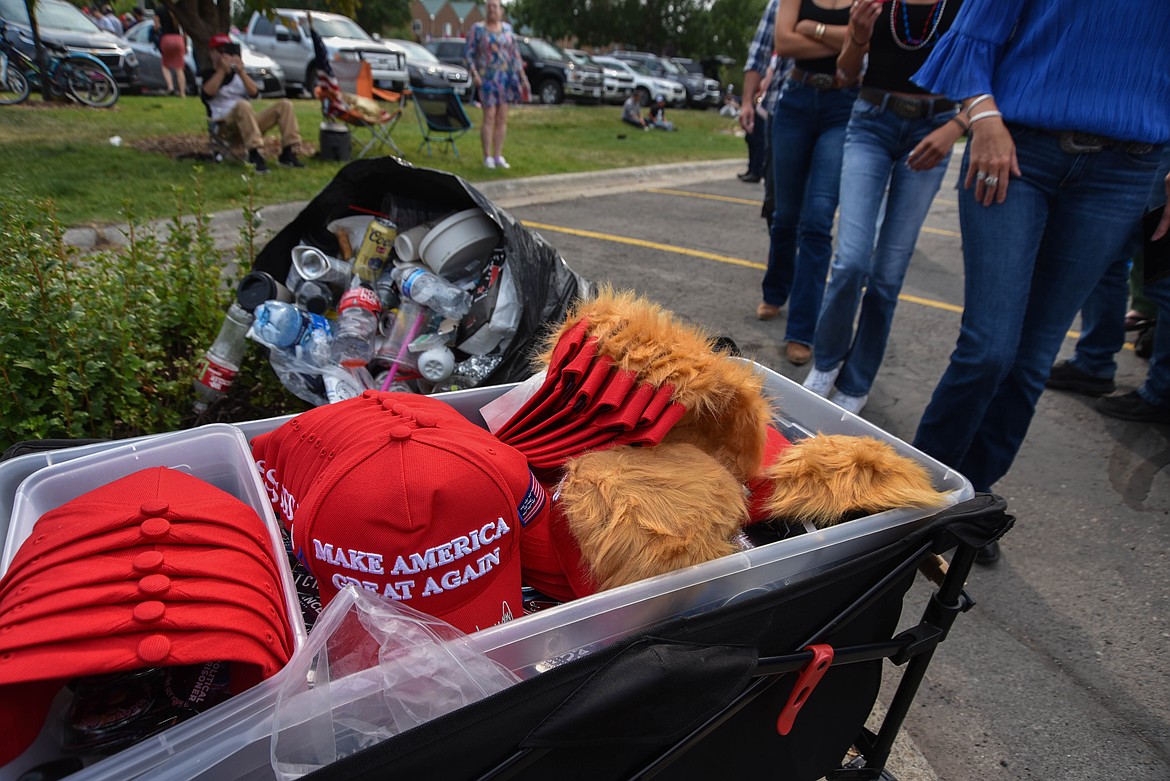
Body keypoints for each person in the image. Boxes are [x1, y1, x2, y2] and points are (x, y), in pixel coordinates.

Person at [909, 0, 1170, 563]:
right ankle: (907, 497)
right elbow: (974, 33)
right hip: (1015, 148)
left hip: (1128, 171)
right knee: (989, 349)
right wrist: (981, 117)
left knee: (1031, 362)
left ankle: (969, 501)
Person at [801, 0, 964, 415]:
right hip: (872, 121)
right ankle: (827, 362)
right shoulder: (878, 3)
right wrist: (857, 33)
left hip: (934, 129)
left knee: (888, 275)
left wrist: (958, 127)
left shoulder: (966, 5)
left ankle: (857, 381)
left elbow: (989, 71)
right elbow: (846, 74)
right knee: (851, 260)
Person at [759, 0, 856, 366]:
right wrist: (842, 40)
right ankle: (775, 290)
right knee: (786, 214)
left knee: (816, 221)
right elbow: (784, 43)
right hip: (795, 102)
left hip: (843, 106)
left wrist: (810, 30)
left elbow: (863, 48)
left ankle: (801, 329)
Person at [201, 33, 303, 173]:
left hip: (247, 122)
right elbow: (207, 94)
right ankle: (255, 155)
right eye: (219, 51)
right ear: (211, 53)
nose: (223, 55)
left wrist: (241, 72)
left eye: (227, 50)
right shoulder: (208, 74)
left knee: (285, 105)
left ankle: (288, 152)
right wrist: (222, 71)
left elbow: (254, 93)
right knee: (243, 105)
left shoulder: (239, 75)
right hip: (224, 125)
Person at [463, 0, 529, 170]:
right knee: (490, 116)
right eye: (489, 7)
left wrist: (523, 78)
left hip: (506, 78)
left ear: (501, 10)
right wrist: (475, 74)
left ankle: (498, 155)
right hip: (487, 79)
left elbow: (515, 55)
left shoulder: (507, 29)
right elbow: (468, 54)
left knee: (502, 118)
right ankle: (487, 156)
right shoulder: (477, 29)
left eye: (495, 6)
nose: (492, 10)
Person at [152, 8, 186, 97]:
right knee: (179, 68)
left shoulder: (159, 10)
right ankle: (182, 93)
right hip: (179, 39)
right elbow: (185, 30)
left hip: (166, 39)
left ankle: (170, 87)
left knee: (165, 65)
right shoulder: (178, 10)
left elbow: (156, 26)